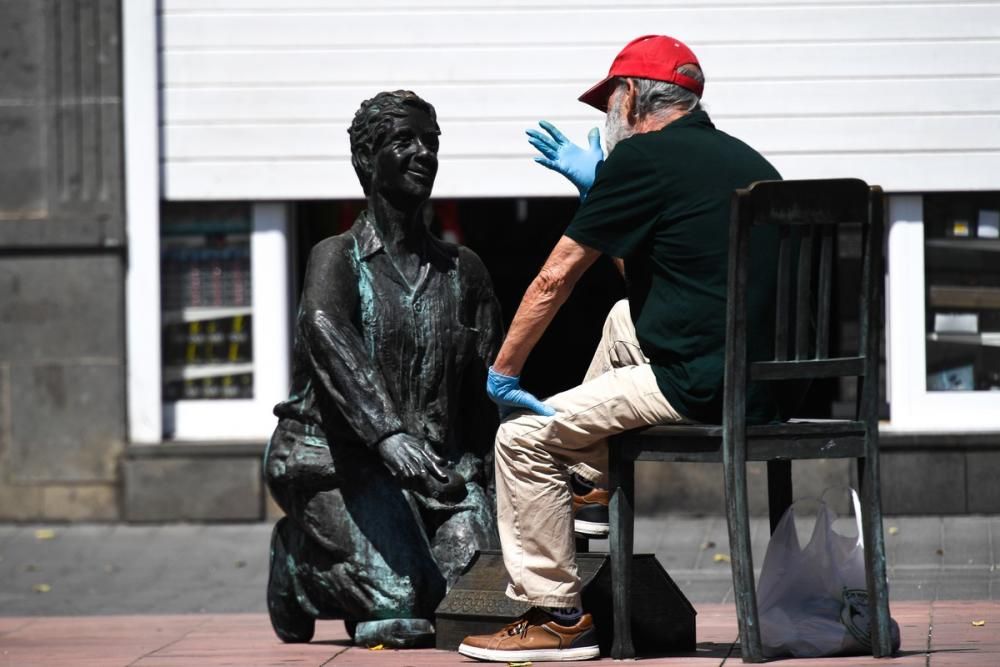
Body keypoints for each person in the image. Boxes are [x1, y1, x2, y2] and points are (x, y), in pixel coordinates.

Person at [458, 35, 784, 662]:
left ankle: (556, 617)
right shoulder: (748, 161)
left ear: (632, 97)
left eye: (607, 101)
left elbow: (554, 277)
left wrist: (502, 372)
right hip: (765, 380)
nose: (604, 117)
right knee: (618, 318)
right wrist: (597, 196)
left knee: (520, 439)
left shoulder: (644, 159)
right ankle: (587, 482)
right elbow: (646, 281)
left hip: (697, 380)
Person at [264, 90, 503, 649]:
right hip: (335, 458)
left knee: (475, 600)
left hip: (436, 467)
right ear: (367, 161)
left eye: (432, 143)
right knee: (401, 607)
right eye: (405, 142)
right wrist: (387, 433)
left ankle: (377, 556)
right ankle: (300, 568)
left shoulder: (462, 271)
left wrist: (487, 470)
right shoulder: (336, 257)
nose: (424, 153)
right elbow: (327, 334)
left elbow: (486, 381)